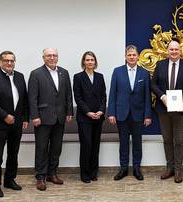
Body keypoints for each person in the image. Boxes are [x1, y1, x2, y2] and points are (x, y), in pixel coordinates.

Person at [0, 51, 29, 197]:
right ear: (0, 61)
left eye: (12, 60)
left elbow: (24, 99)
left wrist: (25, 118)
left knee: (13, 153)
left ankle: (9, 180)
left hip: (17, 123)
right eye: (6, 60)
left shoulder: (20, 76)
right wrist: (4, 116)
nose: (9, 63)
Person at [28, 48, 73, 191]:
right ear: (43, 58)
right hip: (42, 118)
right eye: (49, 55)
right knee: (41, 148)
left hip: (60, 118)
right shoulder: (36, 74)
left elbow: (68, 95)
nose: (52, 58)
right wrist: (34, 116)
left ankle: (52, 173)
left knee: (56, 147)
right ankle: (40, 176)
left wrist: (69, 112)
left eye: (54, 55)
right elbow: (32, 98)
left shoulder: (64, 73)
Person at [151, 40, 183, 183]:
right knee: (167, 139)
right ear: (167, 51)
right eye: (171, 49)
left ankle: (178, 170)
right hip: (163, 108)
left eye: (176, 49)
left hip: (180, 110)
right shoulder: (160, 65)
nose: (174, 52)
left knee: (179, 141)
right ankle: (169, 168)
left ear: (180, 51)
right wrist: (162, 96)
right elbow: (153, 84)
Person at [107, 45, 152, 181]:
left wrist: (147, 115)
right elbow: (112, 94)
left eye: (134, 55)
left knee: (137, 143)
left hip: (138, 115)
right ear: (125, 57)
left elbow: (147, 96)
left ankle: (137, 169)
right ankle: (124, 168)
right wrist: (111, 113)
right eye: (129, 55)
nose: (131, 57)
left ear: (138, 56)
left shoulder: (144, 73)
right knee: (124, 143)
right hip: (121, 114)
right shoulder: (117, 71)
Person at [73, 51, 107, 183]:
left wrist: (101, 110)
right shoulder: (78, 77)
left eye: (92, 60)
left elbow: (104, 96)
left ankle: (93, 173)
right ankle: (85, 174)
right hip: (84, 118)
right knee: (86, 145)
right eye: (87, 60)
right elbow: (78, 98)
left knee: (95, 145)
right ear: (83, 62)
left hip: (98, 117)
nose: (90, 62)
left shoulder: (100, 76)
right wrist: (88, 112)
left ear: (95, 62)